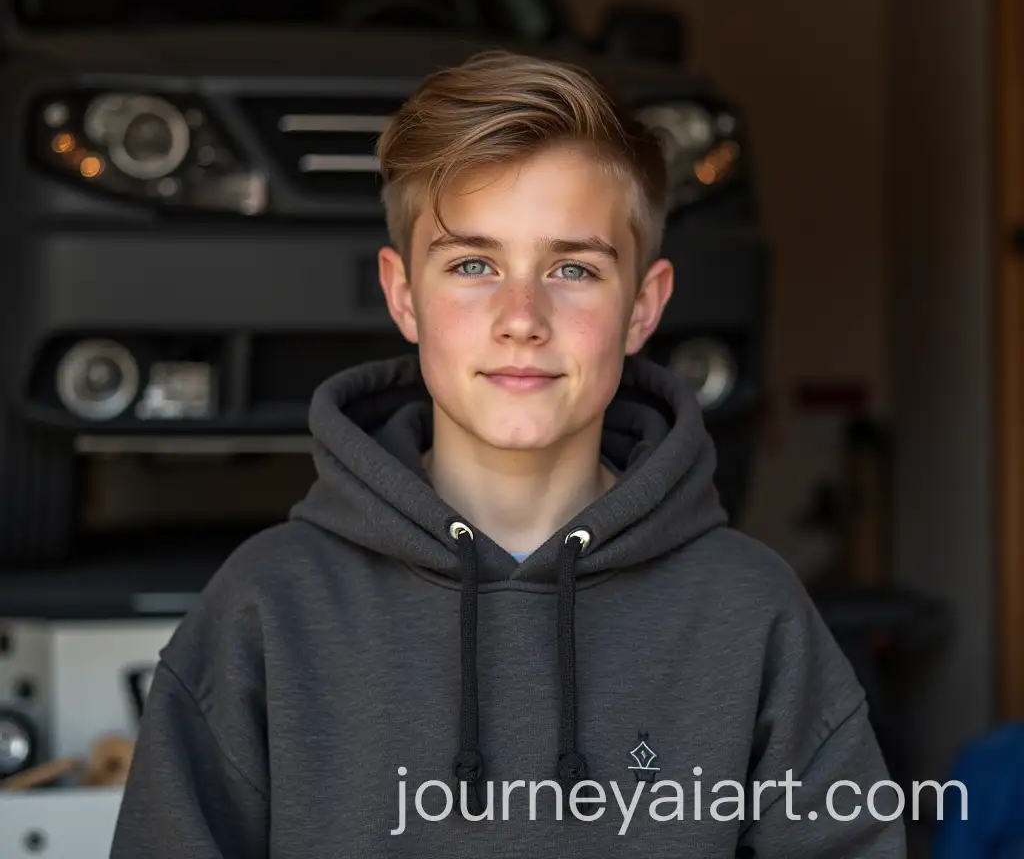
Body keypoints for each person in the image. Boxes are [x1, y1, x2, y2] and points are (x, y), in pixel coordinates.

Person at [110, 50, 906, 857]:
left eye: (572, 268)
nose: (521, 317)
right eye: (473, 264)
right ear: (403, 295)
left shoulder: (752, 613)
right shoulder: (268, 608)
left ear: (643, 307)